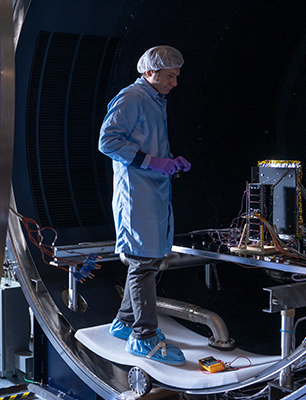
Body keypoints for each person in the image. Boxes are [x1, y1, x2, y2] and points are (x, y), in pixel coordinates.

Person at [97, 45, 190, 365]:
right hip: (135, 196)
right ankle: (143, 336)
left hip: (150, 193)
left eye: (177, 77)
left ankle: (124, 322)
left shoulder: (153, 101)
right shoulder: (132, 98)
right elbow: (107, 141)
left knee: (150, 262)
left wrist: (168, 163)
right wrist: (153, 162)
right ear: (149, 73)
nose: (174, 83)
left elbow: (144, 144)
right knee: (142, 264)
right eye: (169, 76)